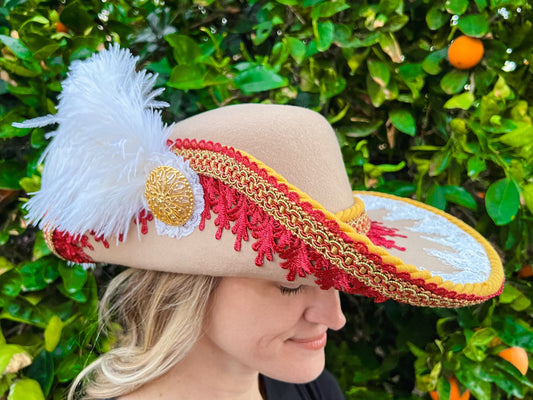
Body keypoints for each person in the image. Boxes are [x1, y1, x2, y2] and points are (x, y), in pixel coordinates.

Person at [15, 45, 504, 400]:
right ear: (188, 286)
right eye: (291, 285)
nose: (334, 318)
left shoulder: (315, 391)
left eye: (336, 283)